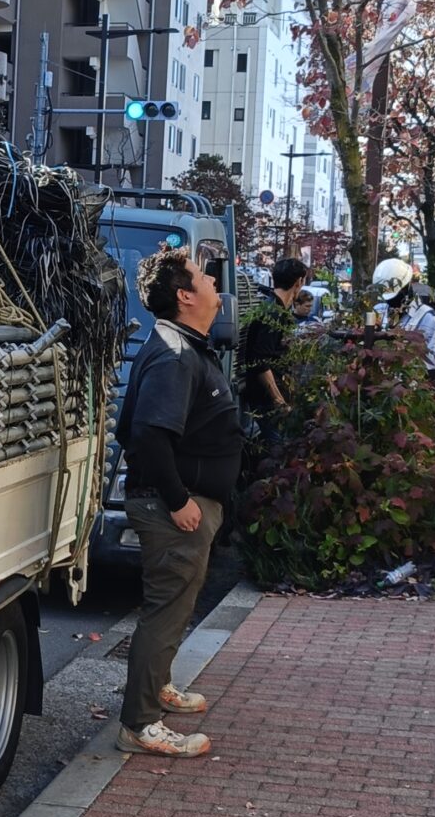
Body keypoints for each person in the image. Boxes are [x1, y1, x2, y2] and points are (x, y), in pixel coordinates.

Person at [117, 248, 243, 759]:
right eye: (202, 277)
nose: (213, 282)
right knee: (165, 612)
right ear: (185, 296)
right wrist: (177, 500)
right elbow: (146, 434)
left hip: (185, 503)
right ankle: (140, 724)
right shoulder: (174, 355)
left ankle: (158, 686)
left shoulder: (184, 345)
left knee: (176, 607)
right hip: (174, 508)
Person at [241, 254, 310, 420]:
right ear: (298, 282)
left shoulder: (275, 308)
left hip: (269, 396)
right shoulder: (273, 313)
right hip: (267, 401)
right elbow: (261, 361)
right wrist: (279, 401)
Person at [371, 257, 435, 388]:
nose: (390, 302)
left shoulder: (428, 318)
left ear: (407, 287)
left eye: (394, 297)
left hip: (409, 390)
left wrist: (405, 358)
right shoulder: (378, 311)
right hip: (377, 386)